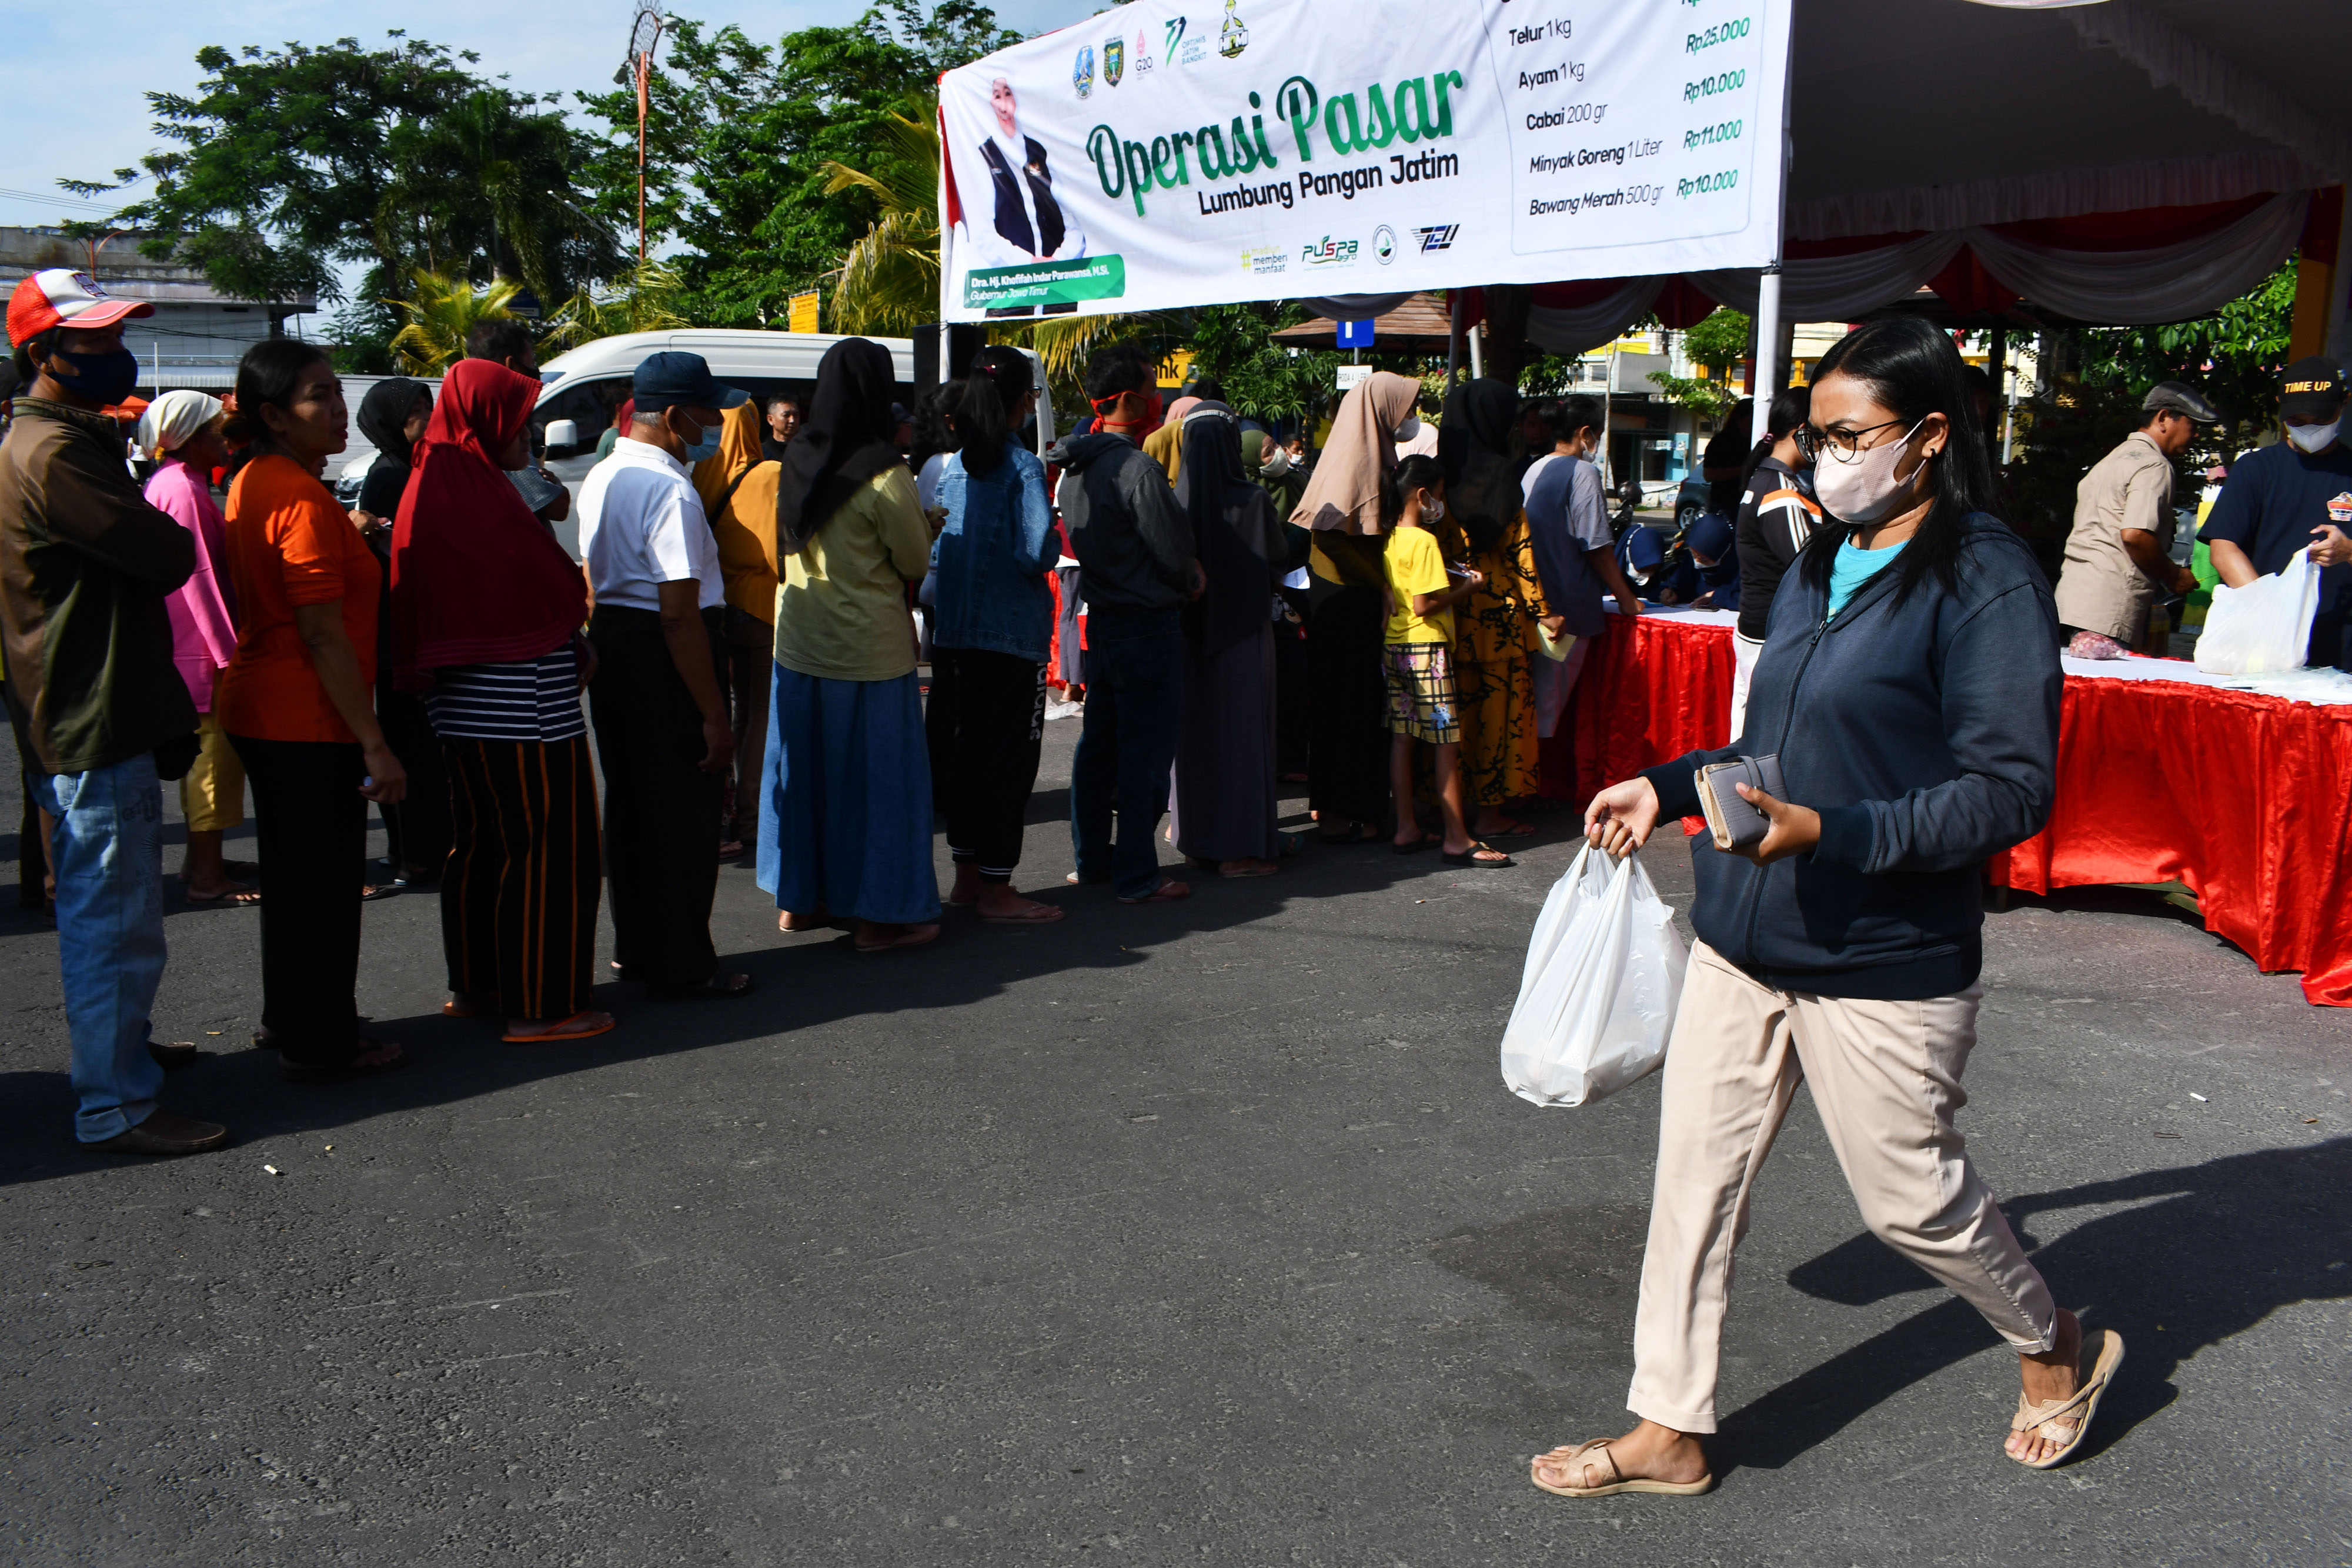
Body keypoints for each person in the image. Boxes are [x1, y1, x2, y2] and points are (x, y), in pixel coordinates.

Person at [1549, 318, 2113, 1500]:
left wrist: (1832, 832)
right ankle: (1667, 1426)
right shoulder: (1818, 559)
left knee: (1912, 1202)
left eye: (1850, 435)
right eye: (1815, 435)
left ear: (1928, 435)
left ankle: (2053, 1337)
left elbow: (2009, 788)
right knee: (1694, 1183)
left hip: (1881, 952)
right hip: (1745, 934)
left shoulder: (1985, 576)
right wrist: (1665, 788)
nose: (1823, 459)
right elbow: (1770, 743)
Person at [1, 269, 225, 1154]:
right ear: (42, 353)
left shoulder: (58, 441)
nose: (113, 354)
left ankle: (121, 1055)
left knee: (116, 910)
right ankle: (117, 1102)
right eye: (93, 341)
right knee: (115, 921)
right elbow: (165, 553)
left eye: (115, 337)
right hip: (89, 708)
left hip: (83, 702)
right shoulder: (55, 454)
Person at [390, 358, 610, 1044]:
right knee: (548, 848)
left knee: (484, 844)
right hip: (524, 706)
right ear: (485, 422)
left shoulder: (439, 478)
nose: (527, 434)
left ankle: (478, 984)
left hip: (465, 707)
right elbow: (538, 588)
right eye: (517, 421)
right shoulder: (476, 494)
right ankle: (543, 1005)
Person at [215, 339, 409, 1081]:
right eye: (317, 396)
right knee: (322, 888)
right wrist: (374, 742)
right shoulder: (294, 494)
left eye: (335, 391)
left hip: (267, 705)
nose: (336, 408)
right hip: (305, 714)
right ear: (273, 415)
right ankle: (322, 1042)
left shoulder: (258, 477)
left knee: (296, 882)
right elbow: (322, 632)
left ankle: (293, 1018)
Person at [577, 352, 754, 998]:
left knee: (633, 808)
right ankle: (683, 963)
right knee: (683, 817)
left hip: (617, 645)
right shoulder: (671, 490)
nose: (717, 427)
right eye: (710, 413)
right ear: (677, 417)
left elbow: (592, 576)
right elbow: (680, 615)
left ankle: (639, 949)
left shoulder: (605, 473)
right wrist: (713, 714)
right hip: (665, 652)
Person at [763, 337, 942, 950]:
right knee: (878, 788)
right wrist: (926, 525)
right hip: (866, 651)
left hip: (799, 645)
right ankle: (879, 919)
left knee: (806, 779)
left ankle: (801, 902)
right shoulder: (882, 468)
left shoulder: (797, 455)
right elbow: (912, 558)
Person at [1049, 345, 1198, 904]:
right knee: (1143, 753)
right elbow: (1173, 552)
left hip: (1106, 620)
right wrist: (1190, 576)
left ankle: (1093, 859)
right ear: (1133, 400)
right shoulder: (1136, 469)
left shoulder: (1075, 469)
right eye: (1153, 389)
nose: (1159, 398)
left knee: (1099, 748)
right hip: (1147, 622)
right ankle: (1138, 874)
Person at [930, 346, 1064, 922]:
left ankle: (967, 878)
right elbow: (1035, 552)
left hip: (956, 633)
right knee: (1009, 763)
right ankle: (997, 888)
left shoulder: (953, 465)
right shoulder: (1022, 467)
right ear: (1020, 401)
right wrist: (1055, 535)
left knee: (965, 756)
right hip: (1011, 636)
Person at [137, 390, 255, 907]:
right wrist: (230, 651)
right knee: (213, 763)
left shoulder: (176, 481)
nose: (224, 441)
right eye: (215, 431)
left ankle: (200, 861)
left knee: (205, 760)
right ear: (190, 437)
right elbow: (200, 578)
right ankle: (207, 875)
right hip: (201, 651)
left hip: (189, 646)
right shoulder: (182, 487)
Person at [1294, 370, 1421, 842]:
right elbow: (1332, 536)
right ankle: (1346, 813)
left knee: (1349, 707)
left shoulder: (1369, 449)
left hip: (1348, 596)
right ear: (1382, 408)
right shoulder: (1356, 458)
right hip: (1346, 598)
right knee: (1353, 708)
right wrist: (1381, 584)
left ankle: (1346, 809)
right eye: (1406, 407)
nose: (1411, 416)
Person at [1171, 399, 1290, 877]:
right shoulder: (1253, 500)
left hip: (1188, 636)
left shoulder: (1174, 502)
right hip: (1244, 633)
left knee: (1195, 740)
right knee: (1242, 739)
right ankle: (1240, 850)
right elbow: (1277, 558)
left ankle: (1199, 842)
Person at [1439, 377, 1559, 839]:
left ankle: (1440, 805)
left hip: (1446, 608)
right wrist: (1543, 610)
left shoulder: (1439, 472)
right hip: (1498, 619)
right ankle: (1489, 813)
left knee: (1450, 714)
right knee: (1495, 717)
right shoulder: (1503, 475)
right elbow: (1521, 553)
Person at [1380, 454, 1508, 866]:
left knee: (1402, 739)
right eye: (1438, 495)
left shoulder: (1389, 537)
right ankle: (1457, 837)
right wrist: (1468, 589)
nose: (1441, 504)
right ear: (1422, 495)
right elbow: (1423, 606)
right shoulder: (1424, 541)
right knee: (1446, 742)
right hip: (1427, 650)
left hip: (1395, 646)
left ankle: (1406, 826)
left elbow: (1402, 596)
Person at [352, 376, 449, 889]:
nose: (424, 416)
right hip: (399, 631)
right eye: (413, 409)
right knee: (414, 746)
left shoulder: (407, 466)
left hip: (405, 627)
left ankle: (409, 847)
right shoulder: (391, 475)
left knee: (415, 743)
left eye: (426, 405)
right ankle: (419, 853)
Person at [2200, 356, 2352, 670]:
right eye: (2297, 420)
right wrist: (2267, 612)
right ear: (2280, 406)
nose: (2309, 428)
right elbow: (2224, 548)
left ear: (2344, 404)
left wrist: (2349, 551)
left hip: (2342, 653)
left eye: (2320, 419)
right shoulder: (2255, 469)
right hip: (2265, 650)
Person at [2052, 381, 2216, 659]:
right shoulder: (2154, 465)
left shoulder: (2111, 460)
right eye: (2192, 425)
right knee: (2104, 688)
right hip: (2108, 613)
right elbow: (2135, 535)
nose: (2196, 435)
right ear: (2164, 418)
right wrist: (2175, 576)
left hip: (2070, 604)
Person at [1522, 396, 1643, 745]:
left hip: (1538, 604)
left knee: (1538, 702)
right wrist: (1626, 598)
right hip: (1568, 608)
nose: (1597, 444)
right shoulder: (1583, 472)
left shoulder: (1535, 468)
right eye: (1598, 436)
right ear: (1585, 433)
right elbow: (1597, 547)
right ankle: (1538, 778)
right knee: (1549, 707)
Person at [692, 399, 783, 859]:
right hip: (764, 611)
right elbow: (778, 552)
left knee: (742, 715)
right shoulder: (768, 475)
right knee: (763, 717)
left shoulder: (701, 478)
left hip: (725, 613)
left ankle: (737, 812)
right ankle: (752, 818)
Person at [1729, 387, 1819, 741]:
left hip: (1759, 625)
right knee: (1761, 735)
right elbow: (1811, 566)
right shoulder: (1781, 490)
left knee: (1747, 727)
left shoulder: (1764, 479)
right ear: (1802, 430)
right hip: (1771, 630)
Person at [465, 319, 569, 527]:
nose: (526, 435)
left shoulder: (470, 417)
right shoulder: (499, 426)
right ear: (511, 366)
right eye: (532, 364)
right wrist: (558, 486)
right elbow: (557, 508)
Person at [975, 75, 1085, 268]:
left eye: (1008, 94)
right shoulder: (985, 156)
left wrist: (1059, 260)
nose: (1004, 106)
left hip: (1058, 275)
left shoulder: (1040, 152)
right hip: (1014, 279)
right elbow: (983, 235)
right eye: (997, 96)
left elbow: (1072, 221)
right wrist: (1029, 262)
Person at [1699, 396, 1753, 517]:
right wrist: (1743, 470)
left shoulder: (1756, 442)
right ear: (1738, 419)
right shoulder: (1721, 442)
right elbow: (1709, 475)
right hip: (1724, 505)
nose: (1752, 427)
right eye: (1750, 422)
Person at [763, 393, 802, 462]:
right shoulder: (762, 454)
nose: (792, 420)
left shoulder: (806, 451)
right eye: (786, 415)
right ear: (771, 420)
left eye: (796, 415)